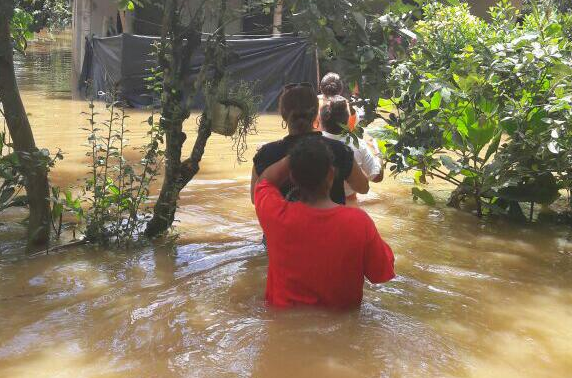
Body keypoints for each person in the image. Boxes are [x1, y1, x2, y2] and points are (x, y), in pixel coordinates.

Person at [254, 137, 395, 308]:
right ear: (331, 174)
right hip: (344, 327)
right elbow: (381, 274)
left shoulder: (275, 214)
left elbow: (264, 182)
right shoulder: (359, 223)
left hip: (281, 323)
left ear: (292, 176)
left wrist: (294, 157)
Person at [251, 82, 369, 205]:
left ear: (283, 114)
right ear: (316, 115)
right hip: (331, 222)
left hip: (284, 223)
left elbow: (255, 199)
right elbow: (363, 188)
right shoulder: (339, 150)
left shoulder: (266, 154)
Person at [321, 96, 384, 206]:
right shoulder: (357, 145)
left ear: (320, 120)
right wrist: (378, 153)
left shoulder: (310, 143)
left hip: (316, 203)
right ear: (347, 121)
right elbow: (376, 177)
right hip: (347, 204)